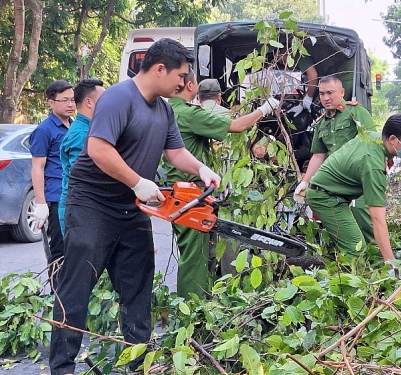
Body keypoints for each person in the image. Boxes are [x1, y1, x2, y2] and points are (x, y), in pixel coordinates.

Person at [50, 38, 222, 375]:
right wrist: (138, 182)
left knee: (138, 289)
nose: (184, 83)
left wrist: (200, 168)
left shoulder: (164, 109)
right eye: (181, 75)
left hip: (132, 210)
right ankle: (61, 367)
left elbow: (175, 152)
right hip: (92, 206)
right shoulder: (118, 97)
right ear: (160, 68)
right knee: (76, 289)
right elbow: (99, 149)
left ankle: (137, 363)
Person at [165, 70, 278, 299]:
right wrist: (264, 109)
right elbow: (238, 127)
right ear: (189, 86)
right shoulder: (190, 114)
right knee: (197, 256)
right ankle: (193, 311)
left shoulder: (168, 110)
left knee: (197, 252)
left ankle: (200, 306)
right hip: (194, 192)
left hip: (185, 190)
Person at [305, 114, 401, 264]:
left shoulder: (372, 137)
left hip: (332, 192)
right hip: (325, 197)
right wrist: (391, 264)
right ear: (392, 139)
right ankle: (346, 284)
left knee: (354, 241)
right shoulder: (373, 166)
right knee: (355, 249)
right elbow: (377, 219)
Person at [292, 75, 376, 243]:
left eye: (330, 92)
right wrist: (305, 182)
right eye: (322, 94)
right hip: (335, 180)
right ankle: (347, 262)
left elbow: (372, 143)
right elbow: (318, 155)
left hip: (359, 179)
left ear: (342, 92)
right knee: (338, 226)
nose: (325, 98)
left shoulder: (356, 112)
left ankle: (378, 263)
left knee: (364, 219)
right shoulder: (321, 123)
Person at [29, 80, 74, 284]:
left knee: (75, 250)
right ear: (50, 103)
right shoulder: (45, 130)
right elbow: (37, 167)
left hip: (74, 195)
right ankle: (58, 300)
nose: (70, 104)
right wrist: (40, 203)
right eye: (64, 100)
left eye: (72, 99)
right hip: (56, 198)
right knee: (59, 251)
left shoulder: (74, 126)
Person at [58, 78, 106, 233]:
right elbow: (84, 175)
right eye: (103, 100)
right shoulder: (81, 134)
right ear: (89, 102)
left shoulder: (89, 129)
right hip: (79, 209)